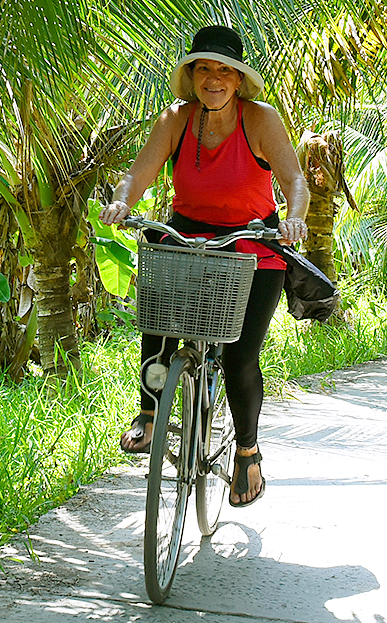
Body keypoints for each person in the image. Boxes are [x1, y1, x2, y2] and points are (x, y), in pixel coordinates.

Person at [101, 25, 308, 509]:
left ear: (238, 80)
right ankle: (151, 412)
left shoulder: (260, 119)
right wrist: (120, 201)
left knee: (239, 355)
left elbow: (294, 179)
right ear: (192, 76)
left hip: (252, 245)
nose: (213, 79)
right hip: (189, 237)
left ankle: (247, 453)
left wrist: (294, 219)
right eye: (203, 69)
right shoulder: (176, 118)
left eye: (224, 71)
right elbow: (139, 172)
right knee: (158, 318)